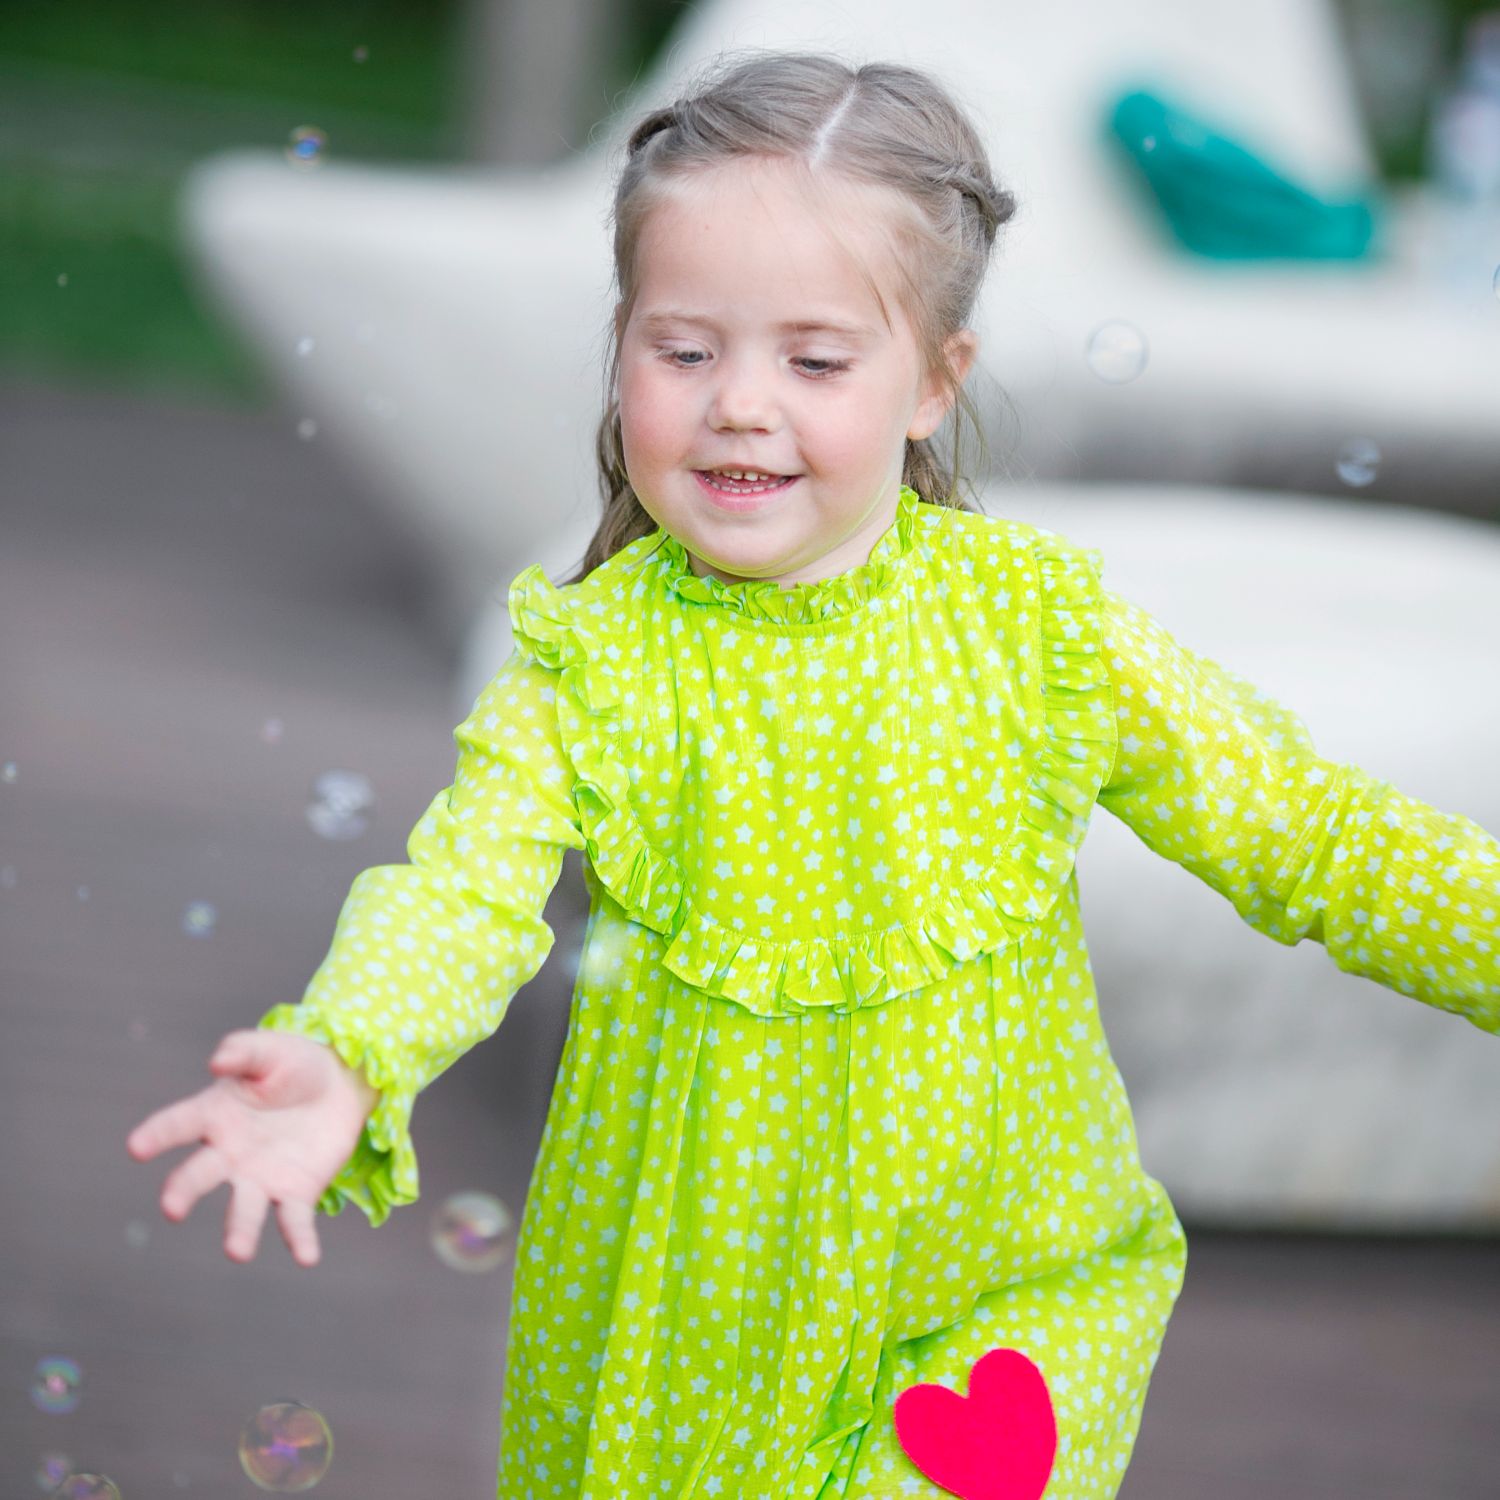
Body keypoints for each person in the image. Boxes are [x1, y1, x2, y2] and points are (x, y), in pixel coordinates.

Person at [125, 49, 1500, 1500]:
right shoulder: (594, 654)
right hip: (689, 1317)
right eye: (685, 348)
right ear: (622, 349)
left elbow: (1297, 826)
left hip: (993, 1293)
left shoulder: (1034, 629)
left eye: (816, 357)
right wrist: (351, 1046)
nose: (740, 402)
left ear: (933, 381)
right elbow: (461, 889)